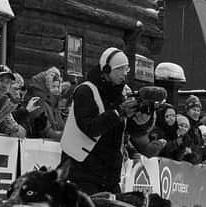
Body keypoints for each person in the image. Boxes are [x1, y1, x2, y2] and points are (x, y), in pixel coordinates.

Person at [60, 47, 136, 195]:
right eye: (119, 69)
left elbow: (130, 131)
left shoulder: (121, 95)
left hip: (109, 175)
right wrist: (119, 113)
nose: (124, 73)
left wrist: (143, 119)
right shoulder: (85, 91)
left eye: (126, 69)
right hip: (81, 172)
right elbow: (90, 128)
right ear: (106, 69)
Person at [25, 66, 65, 139]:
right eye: (53, 86)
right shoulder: (37, 99)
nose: (56, 89)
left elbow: (60, 124)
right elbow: (42, 127)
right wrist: (61, 136)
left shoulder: (54, 102)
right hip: (37, 143)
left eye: (57, 86)